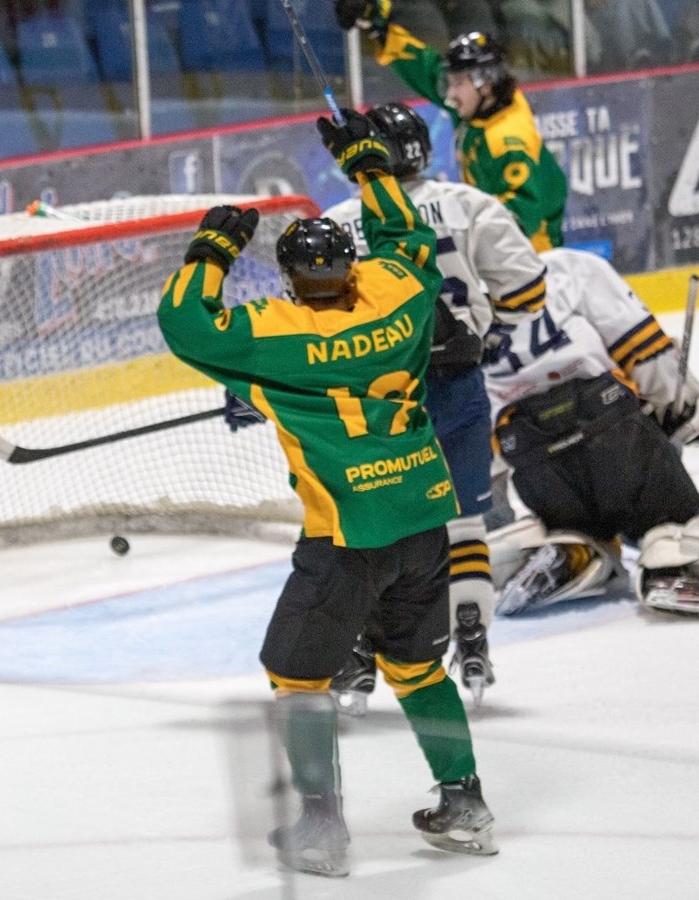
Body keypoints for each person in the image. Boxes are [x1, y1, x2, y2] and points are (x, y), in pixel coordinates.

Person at [159, 109, 496, 876]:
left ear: (289, 279)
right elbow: (408, 239)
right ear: (350, 264)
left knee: (297, 677)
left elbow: (184, 323)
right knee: (417, 670)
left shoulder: (271, 334)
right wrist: (369, 165)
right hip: (422, 523)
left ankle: (321, 828)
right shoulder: (398, 294)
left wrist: (212, 247)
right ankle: (465, 802)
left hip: (344, 541)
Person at [313, 100, 548, 711]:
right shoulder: (469, 203)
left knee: (371, 526)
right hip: (456, 387)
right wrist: (489, 327)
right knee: (465, 524)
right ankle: (470, 639)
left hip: (373, 403)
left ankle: (362, 650)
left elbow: (310, 325)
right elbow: (527, 290)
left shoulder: (339, 219)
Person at [485, 248, 699, 618]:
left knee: (578, 526)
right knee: (679, 514)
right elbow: (645, 350)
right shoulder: (567, 268)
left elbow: (470, 435)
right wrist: (676, 409)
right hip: (611, 432)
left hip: (534, 464)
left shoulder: (452, 312)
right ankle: (669, 558)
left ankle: (575, 551)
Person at [336, 0, 569, 250]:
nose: (450, 93)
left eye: (458, 83)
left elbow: (522, 217)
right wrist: (380, 28)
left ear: (486, 84)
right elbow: (428, 70)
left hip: (533, 256)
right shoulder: (483, 105)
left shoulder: (507, 140)